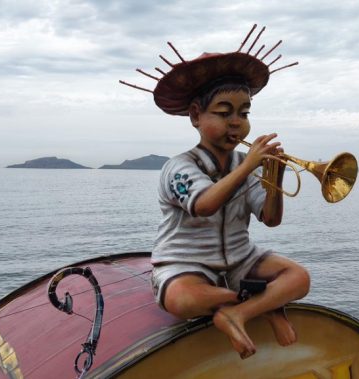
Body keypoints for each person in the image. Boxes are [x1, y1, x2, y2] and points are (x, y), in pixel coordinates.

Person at [133, 26, 310, 359]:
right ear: (196, 116)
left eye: (243, 114)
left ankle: (239, 312)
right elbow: (204, 205)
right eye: (224, 112)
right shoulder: (179, 167)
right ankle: (265, 303)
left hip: (242, 260)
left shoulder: (249, 164)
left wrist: (275, 176)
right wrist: (249, 167)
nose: (236, 123)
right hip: (187, 263)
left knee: (299, 278)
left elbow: (270, 220)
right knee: (183, 301)